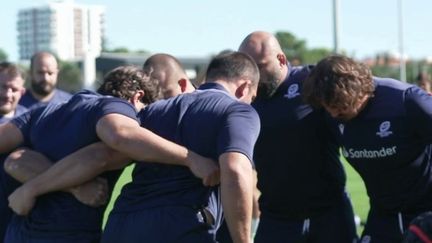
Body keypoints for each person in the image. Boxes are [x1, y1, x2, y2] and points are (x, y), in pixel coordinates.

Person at [8, 52, 261, 243]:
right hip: (178, 226)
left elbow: (99, 155)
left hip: (121, 226)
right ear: (244, 87)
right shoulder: (238, 110)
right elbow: (236, 171)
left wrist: (31, 189)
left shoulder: (150, 112)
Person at [235, 31, 358, 243]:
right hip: (277, 218)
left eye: (260, 67)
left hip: (329, 214)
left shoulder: (312, 82)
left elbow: (361, 88)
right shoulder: (243, 97)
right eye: (248, 69)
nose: (254, 76)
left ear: (281, 59)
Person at [302, 55, 432, 243]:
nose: (333, 113)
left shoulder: (406, 101)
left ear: (356, 90)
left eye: (340, 107)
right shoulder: (330, 115)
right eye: (327, 108)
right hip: (383, 216)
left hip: (426, 213)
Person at [0, 62, 27, 241]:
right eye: (2, 87)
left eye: (13, 89)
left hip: (17, 215)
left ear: (22, 92)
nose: (7, 94)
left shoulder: (32, 120)